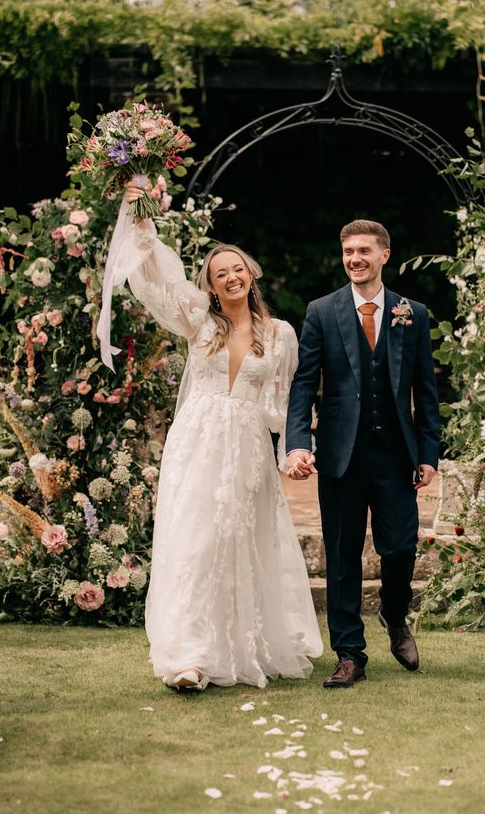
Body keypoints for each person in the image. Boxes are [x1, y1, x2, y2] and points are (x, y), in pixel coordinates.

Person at [107, 180, 322, 690]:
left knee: (242, 540)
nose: (230, 277)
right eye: (219, 273)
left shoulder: (281, 334)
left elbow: (291, 400)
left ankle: (244, 644)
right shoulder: (197, 319)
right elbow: (157, 273)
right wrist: (139, 212)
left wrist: (295, 449)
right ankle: (192, 656)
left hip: (248, 447)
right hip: (197, 444)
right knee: (196, 541)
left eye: (237, 269)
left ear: (252, 275)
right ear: (209, 284)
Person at [286, 220, 440, 688]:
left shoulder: (412, 313)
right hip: (339, 453)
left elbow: (425, 391)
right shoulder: (321, 311)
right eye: (349, 251)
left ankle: (394, 616)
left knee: (399, 547)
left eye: (364, 251)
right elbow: (303, 386)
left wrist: (429, 453)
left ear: (384, 255)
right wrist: (297, 443)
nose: (355, 258)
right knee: (342, 553)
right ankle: (350, 653)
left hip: (396, 455)